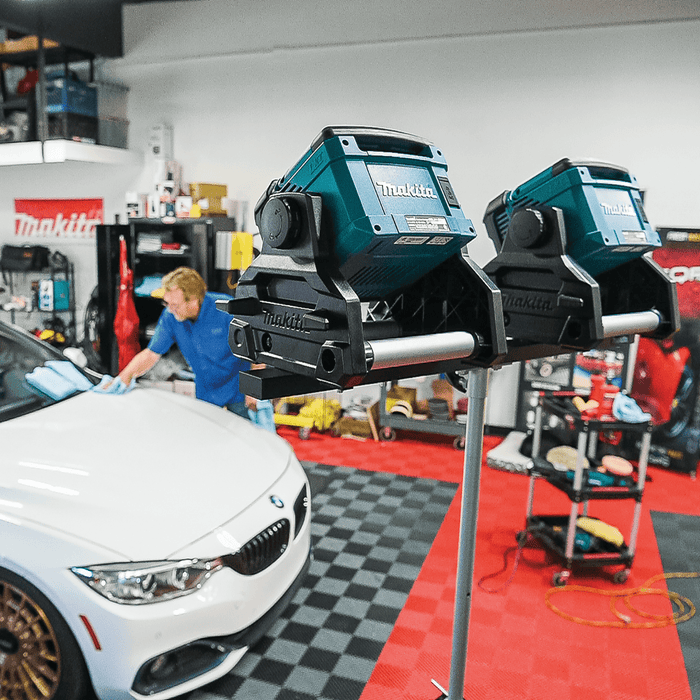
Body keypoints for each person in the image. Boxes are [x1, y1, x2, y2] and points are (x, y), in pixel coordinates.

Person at [114, 266, 258, 419]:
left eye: (175, 305)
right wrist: (123, 379)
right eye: (167, 303)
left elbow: (256, 349)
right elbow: (151, 354)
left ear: (194, 300)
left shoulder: (226, 309)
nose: (170, 309)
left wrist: (254, 389)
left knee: (246, 430)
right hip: (207, 391)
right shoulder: (170, 317)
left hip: (238, 388)